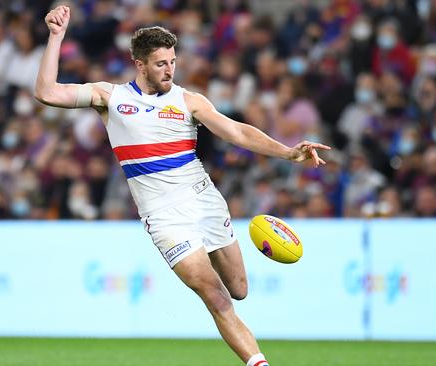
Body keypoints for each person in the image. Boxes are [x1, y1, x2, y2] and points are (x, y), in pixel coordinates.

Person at [34, 6, 331, 366]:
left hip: (205, 201)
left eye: (173, 61)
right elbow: (47, 92)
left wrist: (288, 153)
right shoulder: (110, 98)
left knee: (239, 290)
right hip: (164, 218)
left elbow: (236, 131)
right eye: (161, 63)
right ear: (140, 65)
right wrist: (56, 37)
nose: (169, 69)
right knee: (217, 297)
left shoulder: (189, 100)